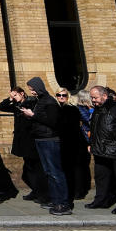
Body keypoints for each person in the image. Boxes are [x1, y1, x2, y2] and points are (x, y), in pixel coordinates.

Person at [18, 77, 70, 215]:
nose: (32, 92)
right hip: (41, 139)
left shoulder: (50, 101)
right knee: (48, 172)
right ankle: (55, 200)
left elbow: (52, 122)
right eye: (31, 90)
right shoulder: (40, 101)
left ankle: (63, 204)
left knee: (55, 172)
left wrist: (33, 115)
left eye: (33, 89)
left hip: (49, 140)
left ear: (39, 87)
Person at [86, 85, 116, 214]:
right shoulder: (97, 109)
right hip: (100, 150)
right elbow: (94, 128)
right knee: (101, 177)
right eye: (91, 98)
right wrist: (91, 143)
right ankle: (101, 200)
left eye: (95, 97)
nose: (93, 100)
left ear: (104, 96)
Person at [0, 86, 46, 204]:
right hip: (23, 141)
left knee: (35, 169)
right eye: (13, 95)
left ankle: (41, 193)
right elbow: (1, 107)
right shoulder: (16, 105)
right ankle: (36, 191)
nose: (14, 97)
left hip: (32, 141)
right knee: (28, 169)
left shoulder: (32, 102)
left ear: (22, 93)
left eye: (16, 95)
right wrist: (10, 98)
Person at [56, 87, 90, 201]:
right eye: (59, 95)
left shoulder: (72, 109)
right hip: (64, 143)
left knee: (76, 169)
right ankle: (71, 190)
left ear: (68, 96)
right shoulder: (57, 109)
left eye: (64, 95)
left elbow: (71, 127)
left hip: (75, 143)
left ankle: (78, 191)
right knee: (68, 168)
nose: (61, 97)